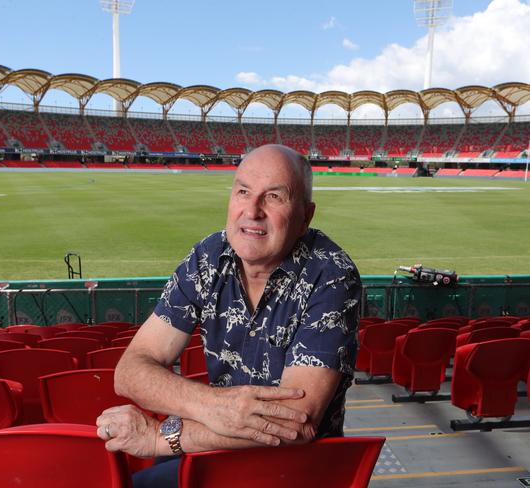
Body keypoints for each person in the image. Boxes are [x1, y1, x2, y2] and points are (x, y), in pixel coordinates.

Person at [96, 144, 361, 487]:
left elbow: (296, 423)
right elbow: (131, 370)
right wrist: (211, 406)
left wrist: (163, 436)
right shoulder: (209, 256)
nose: (252, 211)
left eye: (274, 197)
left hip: (297, 469)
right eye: (243, 192)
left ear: (305, 217)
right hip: (220, 454)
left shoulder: (332, 274)